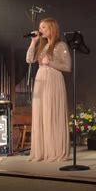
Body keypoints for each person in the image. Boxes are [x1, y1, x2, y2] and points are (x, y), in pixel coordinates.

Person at [26, 18, 71, 162]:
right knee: (42, 114)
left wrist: (50, 62)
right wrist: (33, 42)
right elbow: (29, 59)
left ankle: (56, 151)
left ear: (52, 28)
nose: (41, 30)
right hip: (41, 79)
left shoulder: (61, 45)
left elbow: (67, 66)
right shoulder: (41, 45)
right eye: (40, 27)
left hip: (54, 80)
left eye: (44, 27)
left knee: (52, 113)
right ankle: (42, 152)